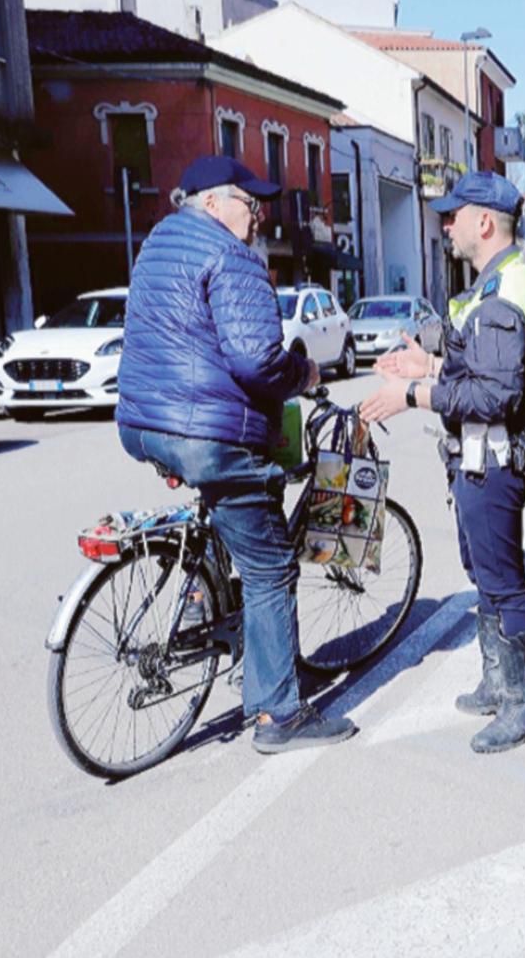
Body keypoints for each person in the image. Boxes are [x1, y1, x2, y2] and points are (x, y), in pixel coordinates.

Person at [117, 156, 355, 754]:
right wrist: (304, 374)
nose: (258, 216)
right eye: (250, 204)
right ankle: (279, 716)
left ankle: (202, 602)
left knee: (230, 509)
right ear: (214, 203)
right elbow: (255, 360)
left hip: (145, 423)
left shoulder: (157, 245)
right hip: (207, 434)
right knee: (272, 564)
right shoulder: (233, 255)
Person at [359, 171, 525, 754]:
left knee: (502, 578)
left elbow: (494, 396)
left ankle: (524, 705)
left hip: (495, 457)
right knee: (486, 572)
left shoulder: (503, 296)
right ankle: (499, 682)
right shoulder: (497, 286)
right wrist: (429, 362)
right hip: (481, 454)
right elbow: (481, 371)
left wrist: (414, 394)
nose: (446, 225)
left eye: (454, 216)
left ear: (485, 222)